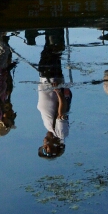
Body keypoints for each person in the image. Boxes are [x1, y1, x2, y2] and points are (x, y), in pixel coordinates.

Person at [35, 29, 71, 159]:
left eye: (43, 148)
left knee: (48, 52)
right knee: (52, 52)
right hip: (52, 82)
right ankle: (55, 27)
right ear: (55, 146)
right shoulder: (61, 133)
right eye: (46, 149)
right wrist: (58, 92)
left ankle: (51, 27)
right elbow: (62, 113)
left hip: (46, 81)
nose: (44, 145)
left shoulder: (51, 129)